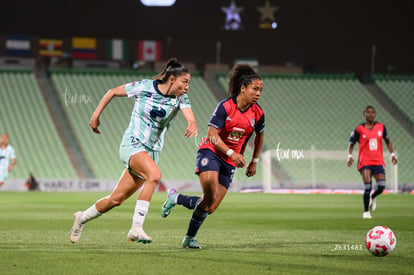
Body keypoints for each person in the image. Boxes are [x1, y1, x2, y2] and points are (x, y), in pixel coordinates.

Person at [70, 58, 198, 243]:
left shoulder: (181, 98)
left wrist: (192, 123)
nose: (187, 87)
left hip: (152, 152)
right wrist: (96, 115)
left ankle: (80, 218)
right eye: (184, 82)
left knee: (116, 199)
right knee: (154, 176)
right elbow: (113, 92)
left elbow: (190, 117)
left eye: (189, 83)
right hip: (132, 144)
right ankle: (136, 228)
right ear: (171, 79)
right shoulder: (145, 86)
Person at [160, 64, 265, 249]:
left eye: (260, 90)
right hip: (211, 151)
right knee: (209, 193)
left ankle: (175, 198)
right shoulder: (226, 106)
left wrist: (254, 162)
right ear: (243, 88)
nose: (258, 93)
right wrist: (233, 153)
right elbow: (212, 135)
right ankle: (189, 239)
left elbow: (259, 136)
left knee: (210, 207)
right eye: (255, 89)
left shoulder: (258, 113)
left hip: (229, 163)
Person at [347, 105, 397, 219]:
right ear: (364, 114)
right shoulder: (359, 129)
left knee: (381, 187)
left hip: (378, 161)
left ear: (375, 114)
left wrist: (392, 154)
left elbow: (388, 141)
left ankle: (373, 197)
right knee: (367, 187)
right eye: (368, 112)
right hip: (365, 162)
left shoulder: (381, 127)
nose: (371, 114)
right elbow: (351, 143)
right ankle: (366, 212)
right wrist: (349, 156)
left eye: (373, 112)